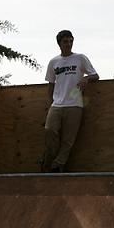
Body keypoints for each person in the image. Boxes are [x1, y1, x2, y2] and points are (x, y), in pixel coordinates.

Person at [41, 30, 99, 172]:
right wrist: (50, 103)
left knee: (68, 139)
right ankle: (50, 160)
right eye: (65, 41)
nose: (68, 44)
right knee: (50, 131)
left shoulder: (80, 58)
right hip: (57, 104)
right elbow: (51, 84)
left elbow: (95, 75)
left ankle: (58, 165)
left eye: (70, 41)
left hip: (75, 104)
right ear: (59, 43)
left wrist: (86, 78)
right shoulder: (54, 62)